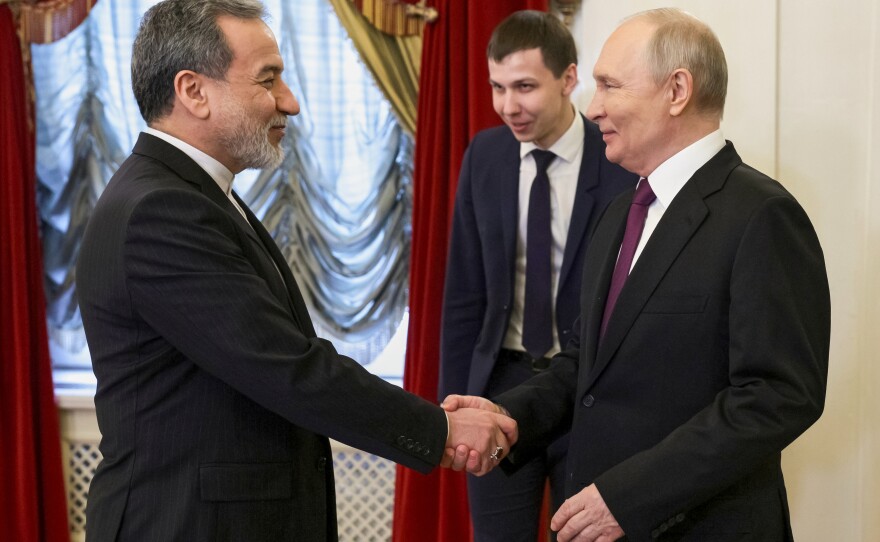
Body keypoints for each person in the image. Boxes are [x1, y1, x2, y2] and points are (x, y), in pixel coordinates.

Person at [75, 1, 515, 540]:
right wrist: (441, 429)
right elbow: (284, 366)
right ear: (193, 91)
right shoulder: (161, 210)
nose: (291, 102)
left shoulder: (191, 195)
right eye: (268, 79)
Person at [444, 8, 830, 541]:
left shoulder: (761, 215)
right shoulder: (621, 211)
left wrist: (630, 497)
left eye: (609, 85)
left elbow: (777, 397)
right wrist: (506, 416)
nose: (594, 106)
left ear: (677, 90)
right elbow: (584, 362)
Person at [438, 10, 637, 541]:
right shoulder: (485, 154)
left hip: (588, 391)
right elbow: (463, 291)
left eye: (524, 87)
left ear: (569, 78)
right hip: (500, 390)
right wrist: (453, 408)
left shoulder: (619, 158)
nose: (508, 106)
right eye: (497, 87)